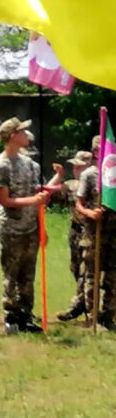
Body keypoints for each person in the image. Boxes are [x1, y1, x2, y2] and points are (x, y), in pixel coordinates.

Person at [0, 117, 50, 335]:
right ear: (12, 136)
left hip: (30, 227)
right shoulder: (1, 165)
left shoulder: (30, 164)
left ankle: (26, 315)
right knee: (11, 274)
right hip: (11, 229)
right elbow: (5, 200)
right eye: (23, 132)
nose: (27, 135)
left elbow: (36, 194)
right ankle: (11, 316)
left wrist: (41, 224)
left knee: (28, 274)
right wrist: (33, 201)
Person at [75, 136, 116, 329]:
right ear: (96, 152)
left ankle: (108, 315)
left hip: (114, 234)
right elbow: (79, 204)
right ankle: (92, 317)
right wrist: (91, 213)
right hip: (94, 233)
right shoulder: (89, 175)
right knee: (92, 276)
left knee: (113, 277)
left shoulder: (113, 174)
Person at [57, 150, 93, 322]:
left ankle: (80, 305)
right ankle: (82, 303)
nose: (76, 169)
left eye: (79, 166)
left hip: (90, 231)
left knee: (87, 271)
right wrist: (58, 176)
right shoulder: (70, 184)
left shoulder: (97, 183)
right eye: (74, 166)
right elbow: (47, 192)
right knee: (75, 267)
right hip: (75, 230)